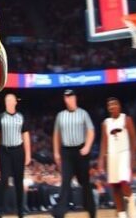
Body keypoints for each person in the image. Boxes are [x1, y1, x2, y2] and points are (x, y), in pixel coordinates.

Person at [52, 90, 95, 218]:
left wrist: (87, 146)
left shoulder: (83, 113)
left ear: (75, 98)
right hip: (66, 151)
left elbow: (91, 131)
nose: (68, 99)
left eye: (70, 97)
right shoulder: (60, 115)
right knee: (66, 181)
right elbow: (56, 135)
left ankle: (91, 210)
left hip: (81, 151)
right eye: (66, 97)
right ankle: (59, 213)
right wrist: (56, 152)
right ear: (64, 99)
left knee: (85, 182)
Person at [98, 98, 136, 218]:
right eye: (109, 105)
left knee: (124, 183)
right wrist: (101, 160)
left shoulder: (126, 119)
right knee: (115, 186)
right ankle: (121, 214)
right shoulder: (106, 123)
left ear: (119, 106)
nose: (111, 106)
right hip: (112, 155)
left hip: (124, 153)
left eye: (114, 104)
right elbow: (104, 143)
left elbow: (133, 140)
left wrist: (133, 158)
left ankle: (133, 208)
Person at [0, 94, 31, 218]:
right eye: (6, 100)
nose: (8, 102)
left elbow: (26, 135)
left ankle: (20, 210)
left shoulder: (21, 117)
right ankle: (0, 209)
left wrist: (28, 153)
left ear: (15, 102)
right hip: (4, 151)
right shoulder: (0, 117)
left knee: (19, 182)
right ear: (5, 103)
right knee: (3, 180)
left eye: (10, 100)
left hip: (18, 151)